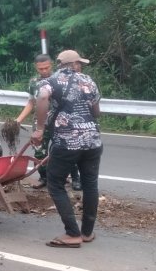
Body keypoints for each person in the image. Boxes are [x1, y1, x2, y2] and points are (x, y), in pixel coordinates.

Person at [31, 50, 103, 248]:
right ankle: (87, 232)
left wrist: (39, 128)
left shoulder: (49, 82)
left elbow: (43, 97)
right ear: (76, 64)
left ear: (59, 64)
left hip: (67, 143)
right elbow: (96, 112)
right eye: (80, 63)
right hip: (93, 142)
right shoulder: (88, 80)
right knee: (90, 184)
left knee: (54, 183)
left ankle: (72, 233)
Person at [16, 54, 81, 190]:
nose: (44, 71)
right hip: (40, 122)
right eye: (41, 69)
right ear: (36, 68)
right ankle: (44, 177)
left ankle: (75, 178)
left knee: (67, 149)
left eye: (46, 67)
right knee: (39, 151)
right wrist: (19, 120)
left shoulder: (60, 79)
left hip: (60, 121)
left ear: (51, 65)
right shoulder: (34, 82)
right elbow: (31, 103)